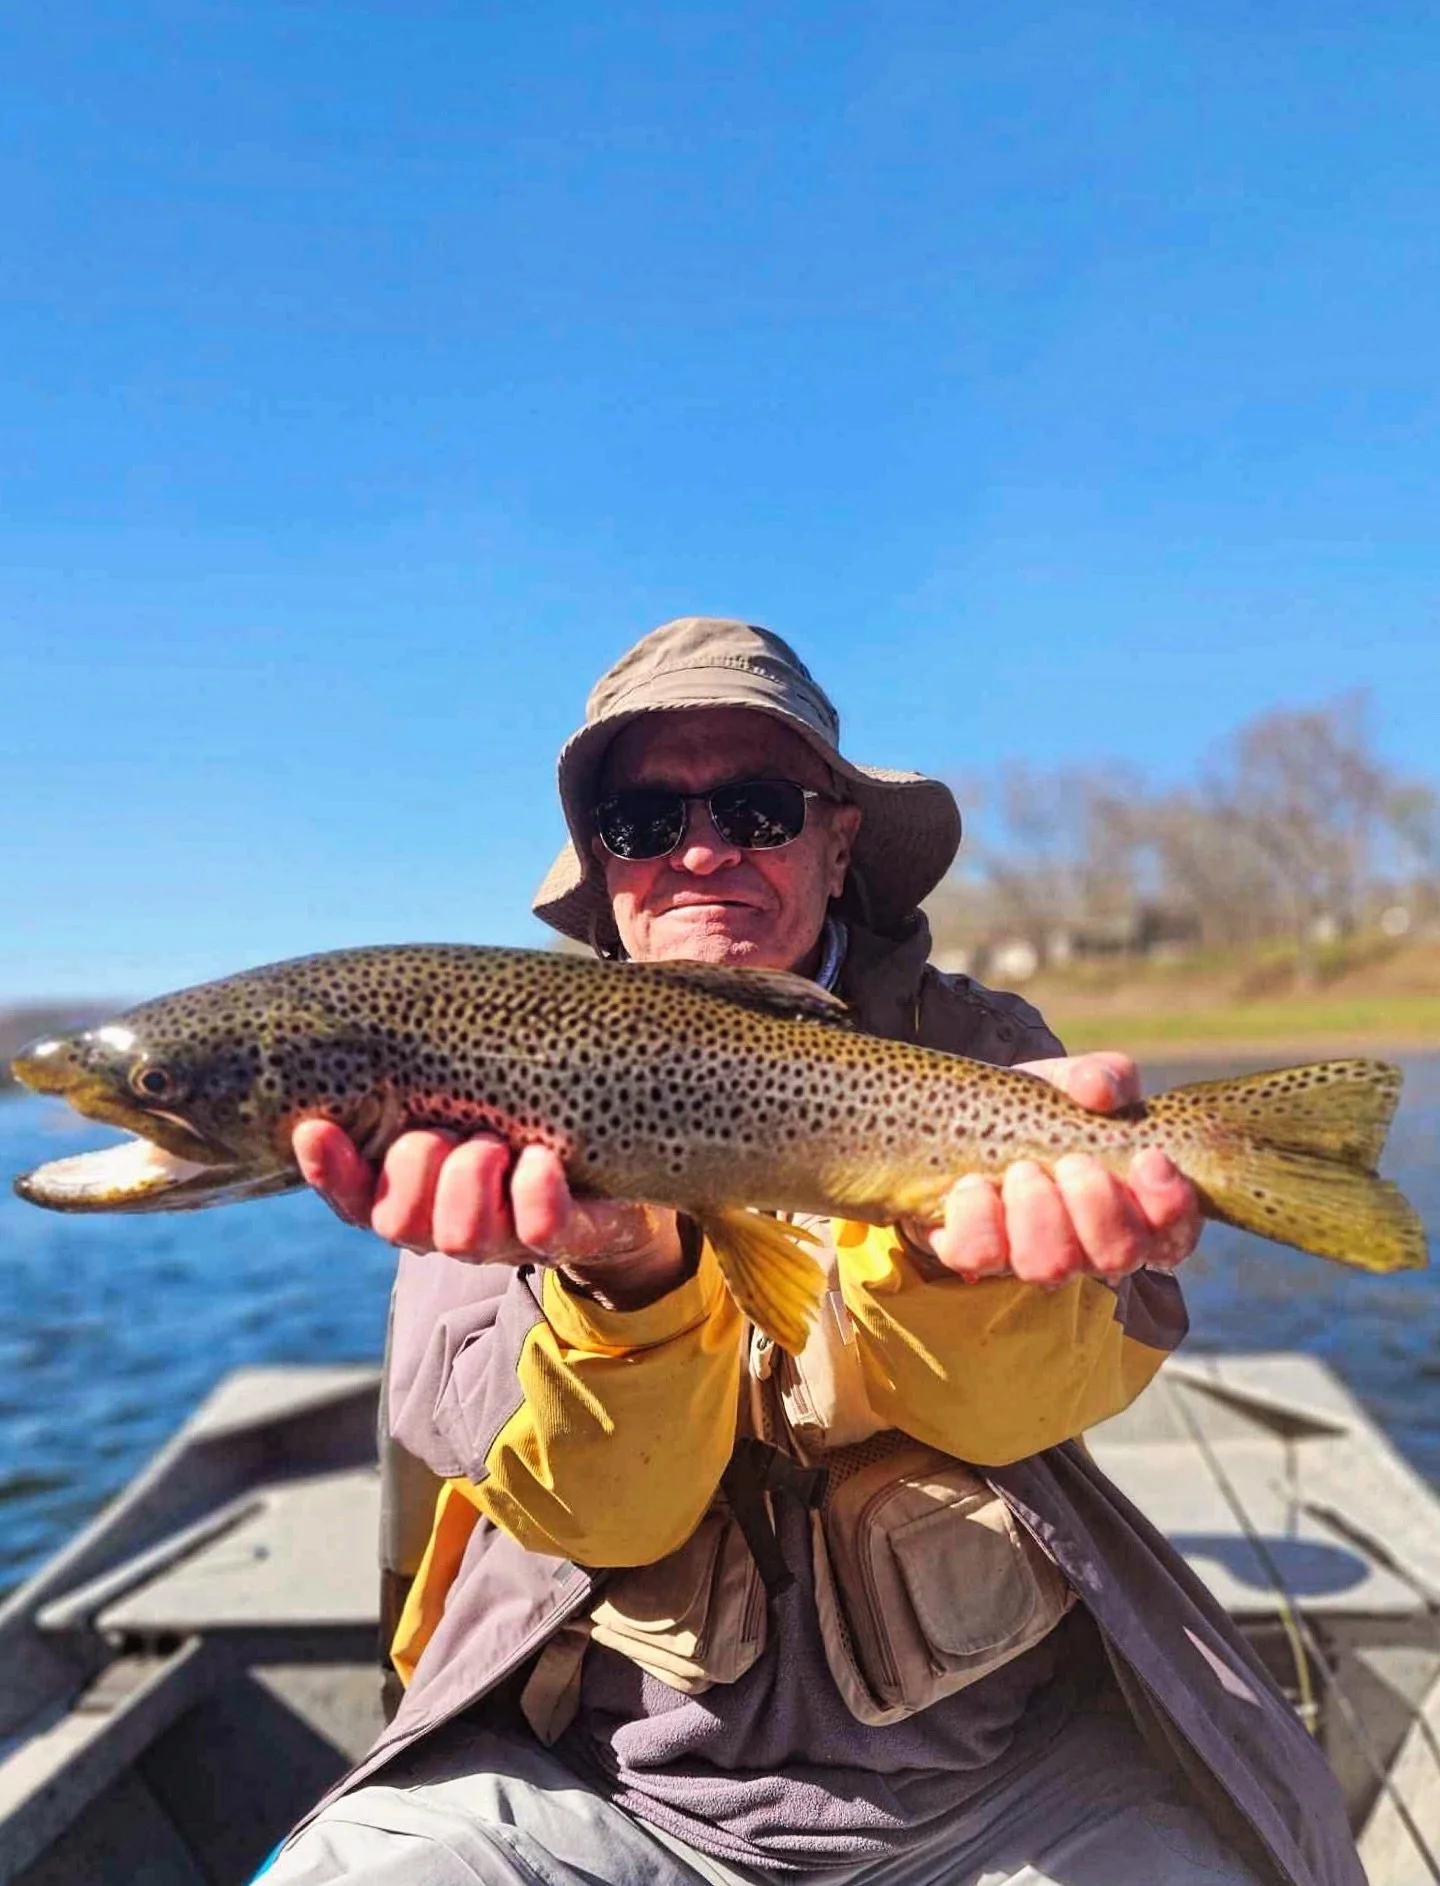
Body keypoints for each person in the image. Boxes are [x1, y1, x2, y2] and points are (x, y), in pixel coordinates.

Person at [263, 619, 1363, 1886]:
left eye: (755, 804)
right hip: (599, 1781)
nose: (702, 849)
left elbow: (1030, 1410)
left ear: (839, 843)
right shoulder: (486, 1071)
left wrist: (966, 1272)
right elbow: (594, 1513)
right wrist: (625, 1271)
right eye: (643, 821)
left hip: (1008, 1785)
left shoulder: (980, 1049)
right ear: (603, 866)